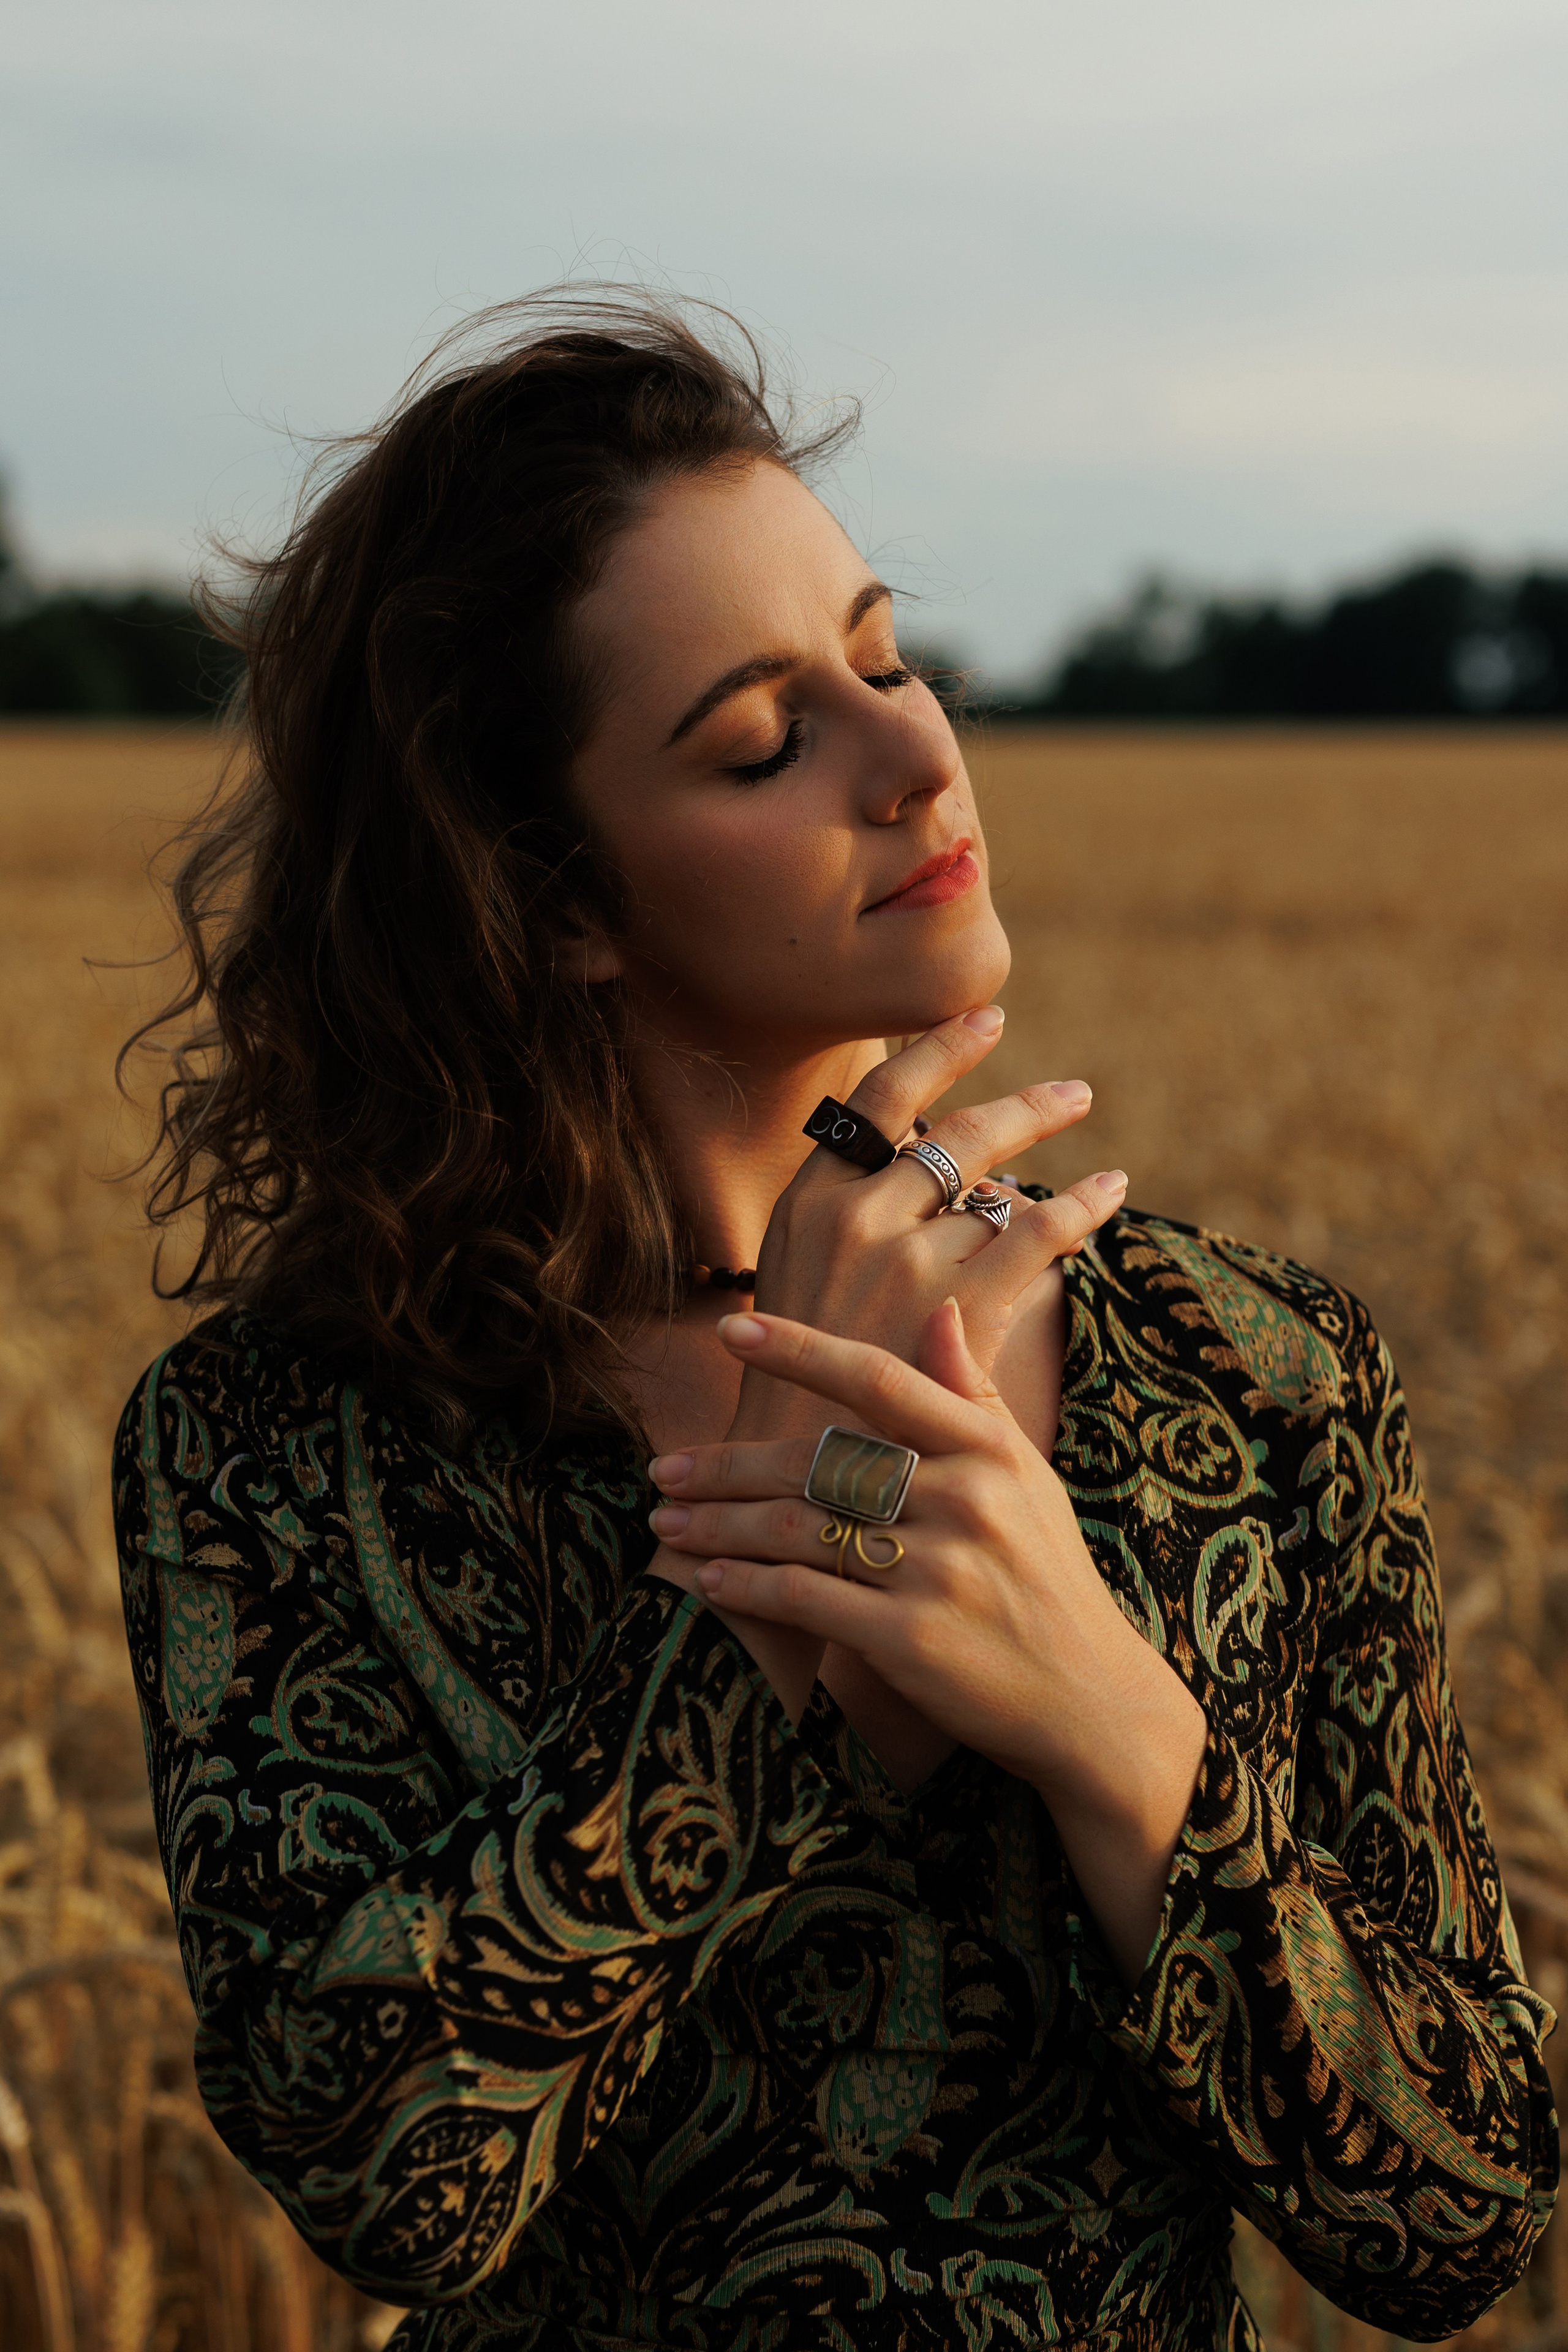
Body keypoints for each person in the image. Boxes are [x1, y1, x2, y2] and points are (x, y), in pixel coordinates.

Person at [113, 292, 1555, 2352]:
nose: (920, 749)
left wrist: (1109, 1719)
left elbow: (1465, 2211)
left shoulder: (1260, 1373)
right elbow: (393, 2182)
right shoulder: (285, 1440)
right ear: (560, 901)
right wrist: (798, 1576)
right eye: (770, 736)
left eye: (889, 656)